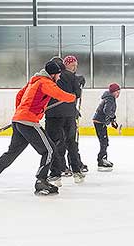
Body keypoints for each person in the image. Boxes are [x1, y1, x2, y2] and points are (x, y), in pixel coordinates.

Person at [0, 61, 76, 196]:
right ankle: (41, 181)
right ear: (52, 74)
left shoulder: (33, 81)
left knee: (11, 153)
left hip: (19, 120)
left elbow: (19, 95)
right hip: (28, 121)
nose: (59, 78)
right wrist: (73, 96)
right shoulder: (45, 82)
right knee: (50, 150)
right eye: (58, 75)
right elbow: (60, 95)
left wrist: (19, 113)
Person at [45, 55, 85, 187]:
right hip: (69, 115)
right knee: (71, 143)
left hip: (54, 116)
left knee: (55, 144)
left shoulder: (49, 78)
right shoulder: (71, 76)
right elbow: (77, 95)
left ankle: (56, 173)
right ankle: (77, 172)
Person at [92, 83, 120, 171]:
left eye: (119, 92)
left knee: (104, 141)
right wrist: (113, 117)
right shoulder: (110, 99)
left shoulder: (109, 98)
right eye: (117, 92)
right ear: (112, 92)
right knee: (104, 141)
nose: (118, 94)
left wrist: (112, 121)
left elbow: (108, 111)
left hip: (100, 122)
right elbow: (106, 110)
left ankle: (103, 158)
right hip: (99, 122)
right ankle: (101, 159)